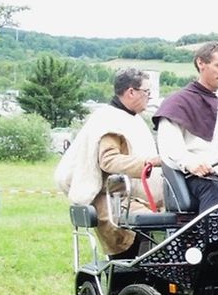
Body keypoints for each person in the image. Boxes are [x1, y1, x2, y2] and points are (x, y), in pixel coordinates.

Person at [54, 68, 162, 257]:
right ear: (131, 92)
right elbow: (109, 161)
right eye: (147, 92)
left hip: (134, 198)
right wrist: (149, 162)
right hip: (113, 199)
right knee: (139, 241)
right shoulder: (109, 120)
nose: (149, 97)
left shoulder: (130, 117)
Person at [155, 41, 218, 211]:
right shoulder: (177, 103)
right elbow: (170, 148)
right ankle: (211, 237)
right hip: (197, 176)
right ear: (201, 63)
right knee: (213, 192)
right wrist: (190, 163)